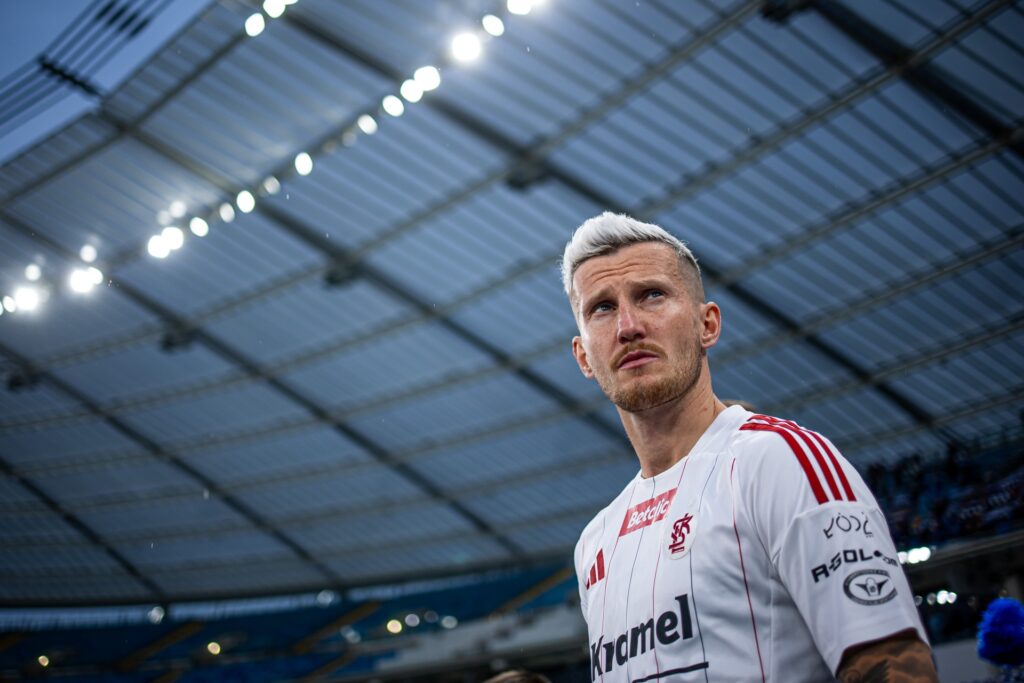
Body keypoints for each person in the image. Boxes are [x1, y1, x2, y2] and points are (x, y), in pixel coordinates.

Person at [563, 213, 937, 682]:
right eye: (601, 308)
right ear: (584, 357)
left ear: (707, 325)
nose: (628, 325)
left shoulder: (781, 460)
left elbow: (891, 661)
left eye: (651, 295)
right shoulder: (595, 543)